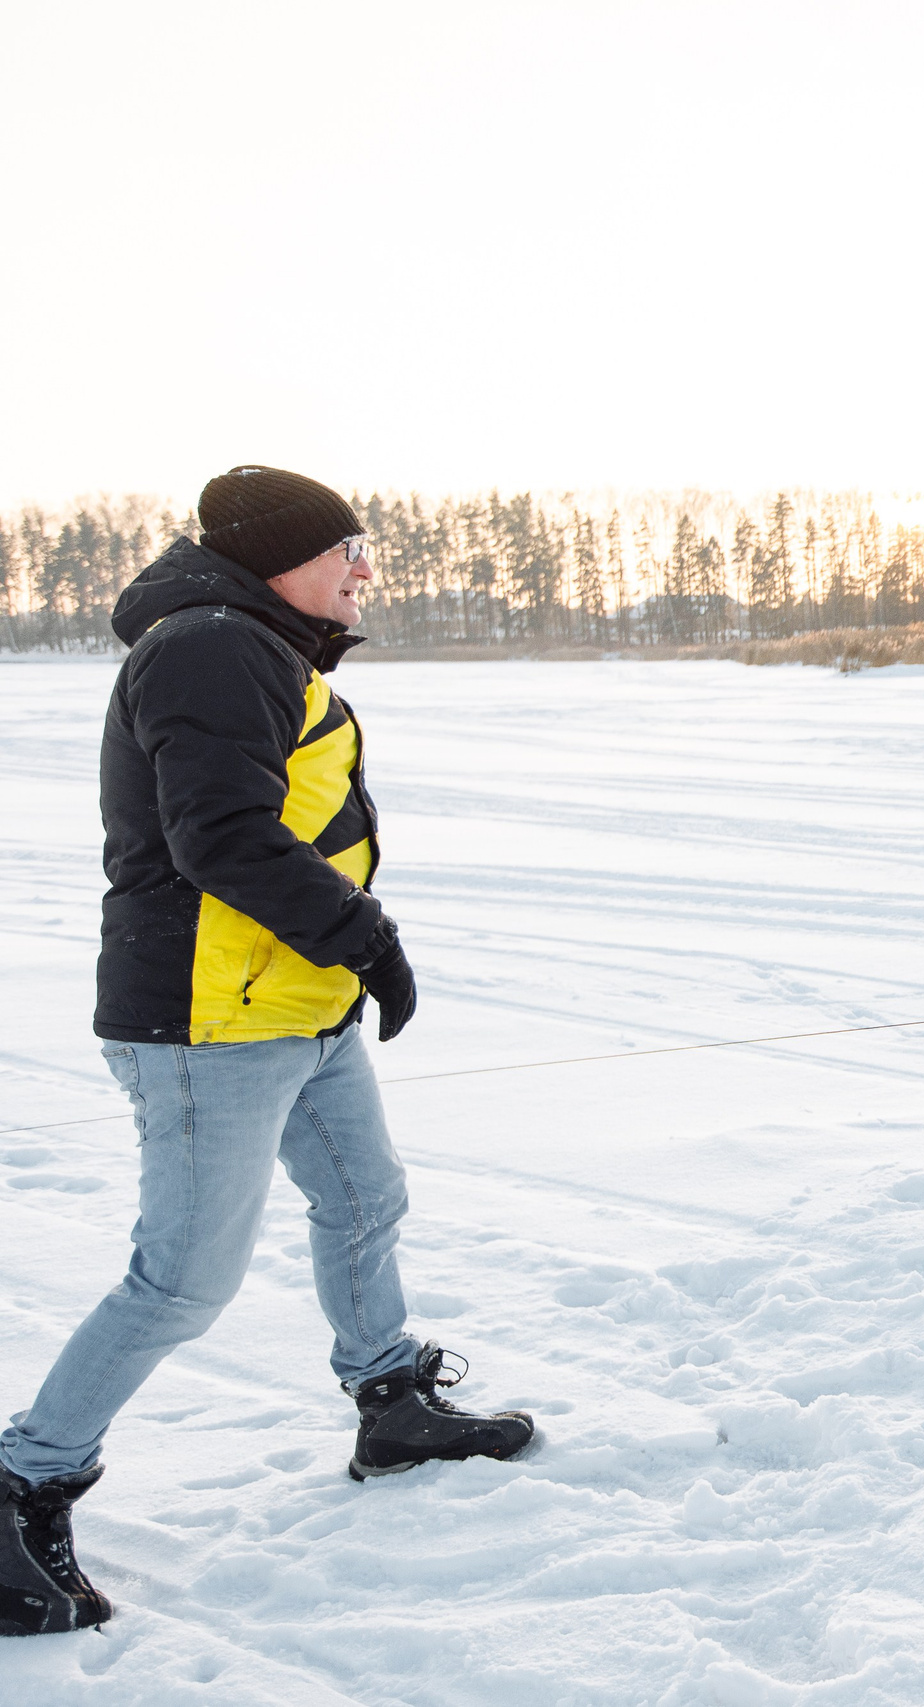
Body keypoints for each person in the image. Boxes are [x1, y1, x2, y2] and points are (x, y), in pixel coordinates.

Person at [1, 467, 536, 1640]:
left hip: (291, 1001)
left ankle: (389, 1400)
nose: (364, 572)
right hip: (208, 1021)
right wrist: (369, 936)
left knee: (363, 1198)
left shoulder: (250, 644)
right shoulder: (209, 647)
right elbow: (222, 837)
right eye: (346, 549)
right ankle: (22, 1484)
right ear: (279, 560)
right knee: (183, 1278)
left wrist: (341, 964)